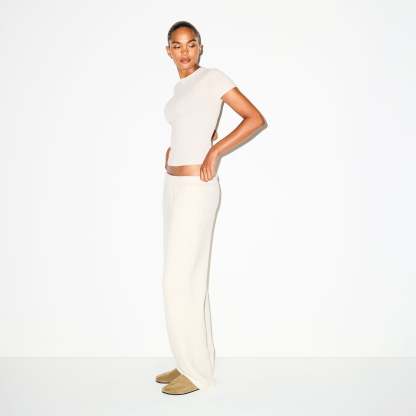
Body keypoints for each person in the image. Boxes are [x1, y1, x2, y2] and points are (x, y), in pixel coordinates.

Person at [157, 20, 267, 395]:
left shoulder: (212, 77)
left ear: (200, 47)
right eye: (177, 45)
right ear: (168, 51)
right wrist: (173, 153)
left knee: (179, 279)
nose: (184, 51)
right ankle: (188, 360)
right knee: (184, 278)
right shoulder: (179, 90)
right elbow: (195, 127)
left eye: (191, 44)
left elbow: (254, 118)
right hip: (173, 186)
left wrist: (215, 151)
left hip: (196, 189)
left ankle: (197, 373)